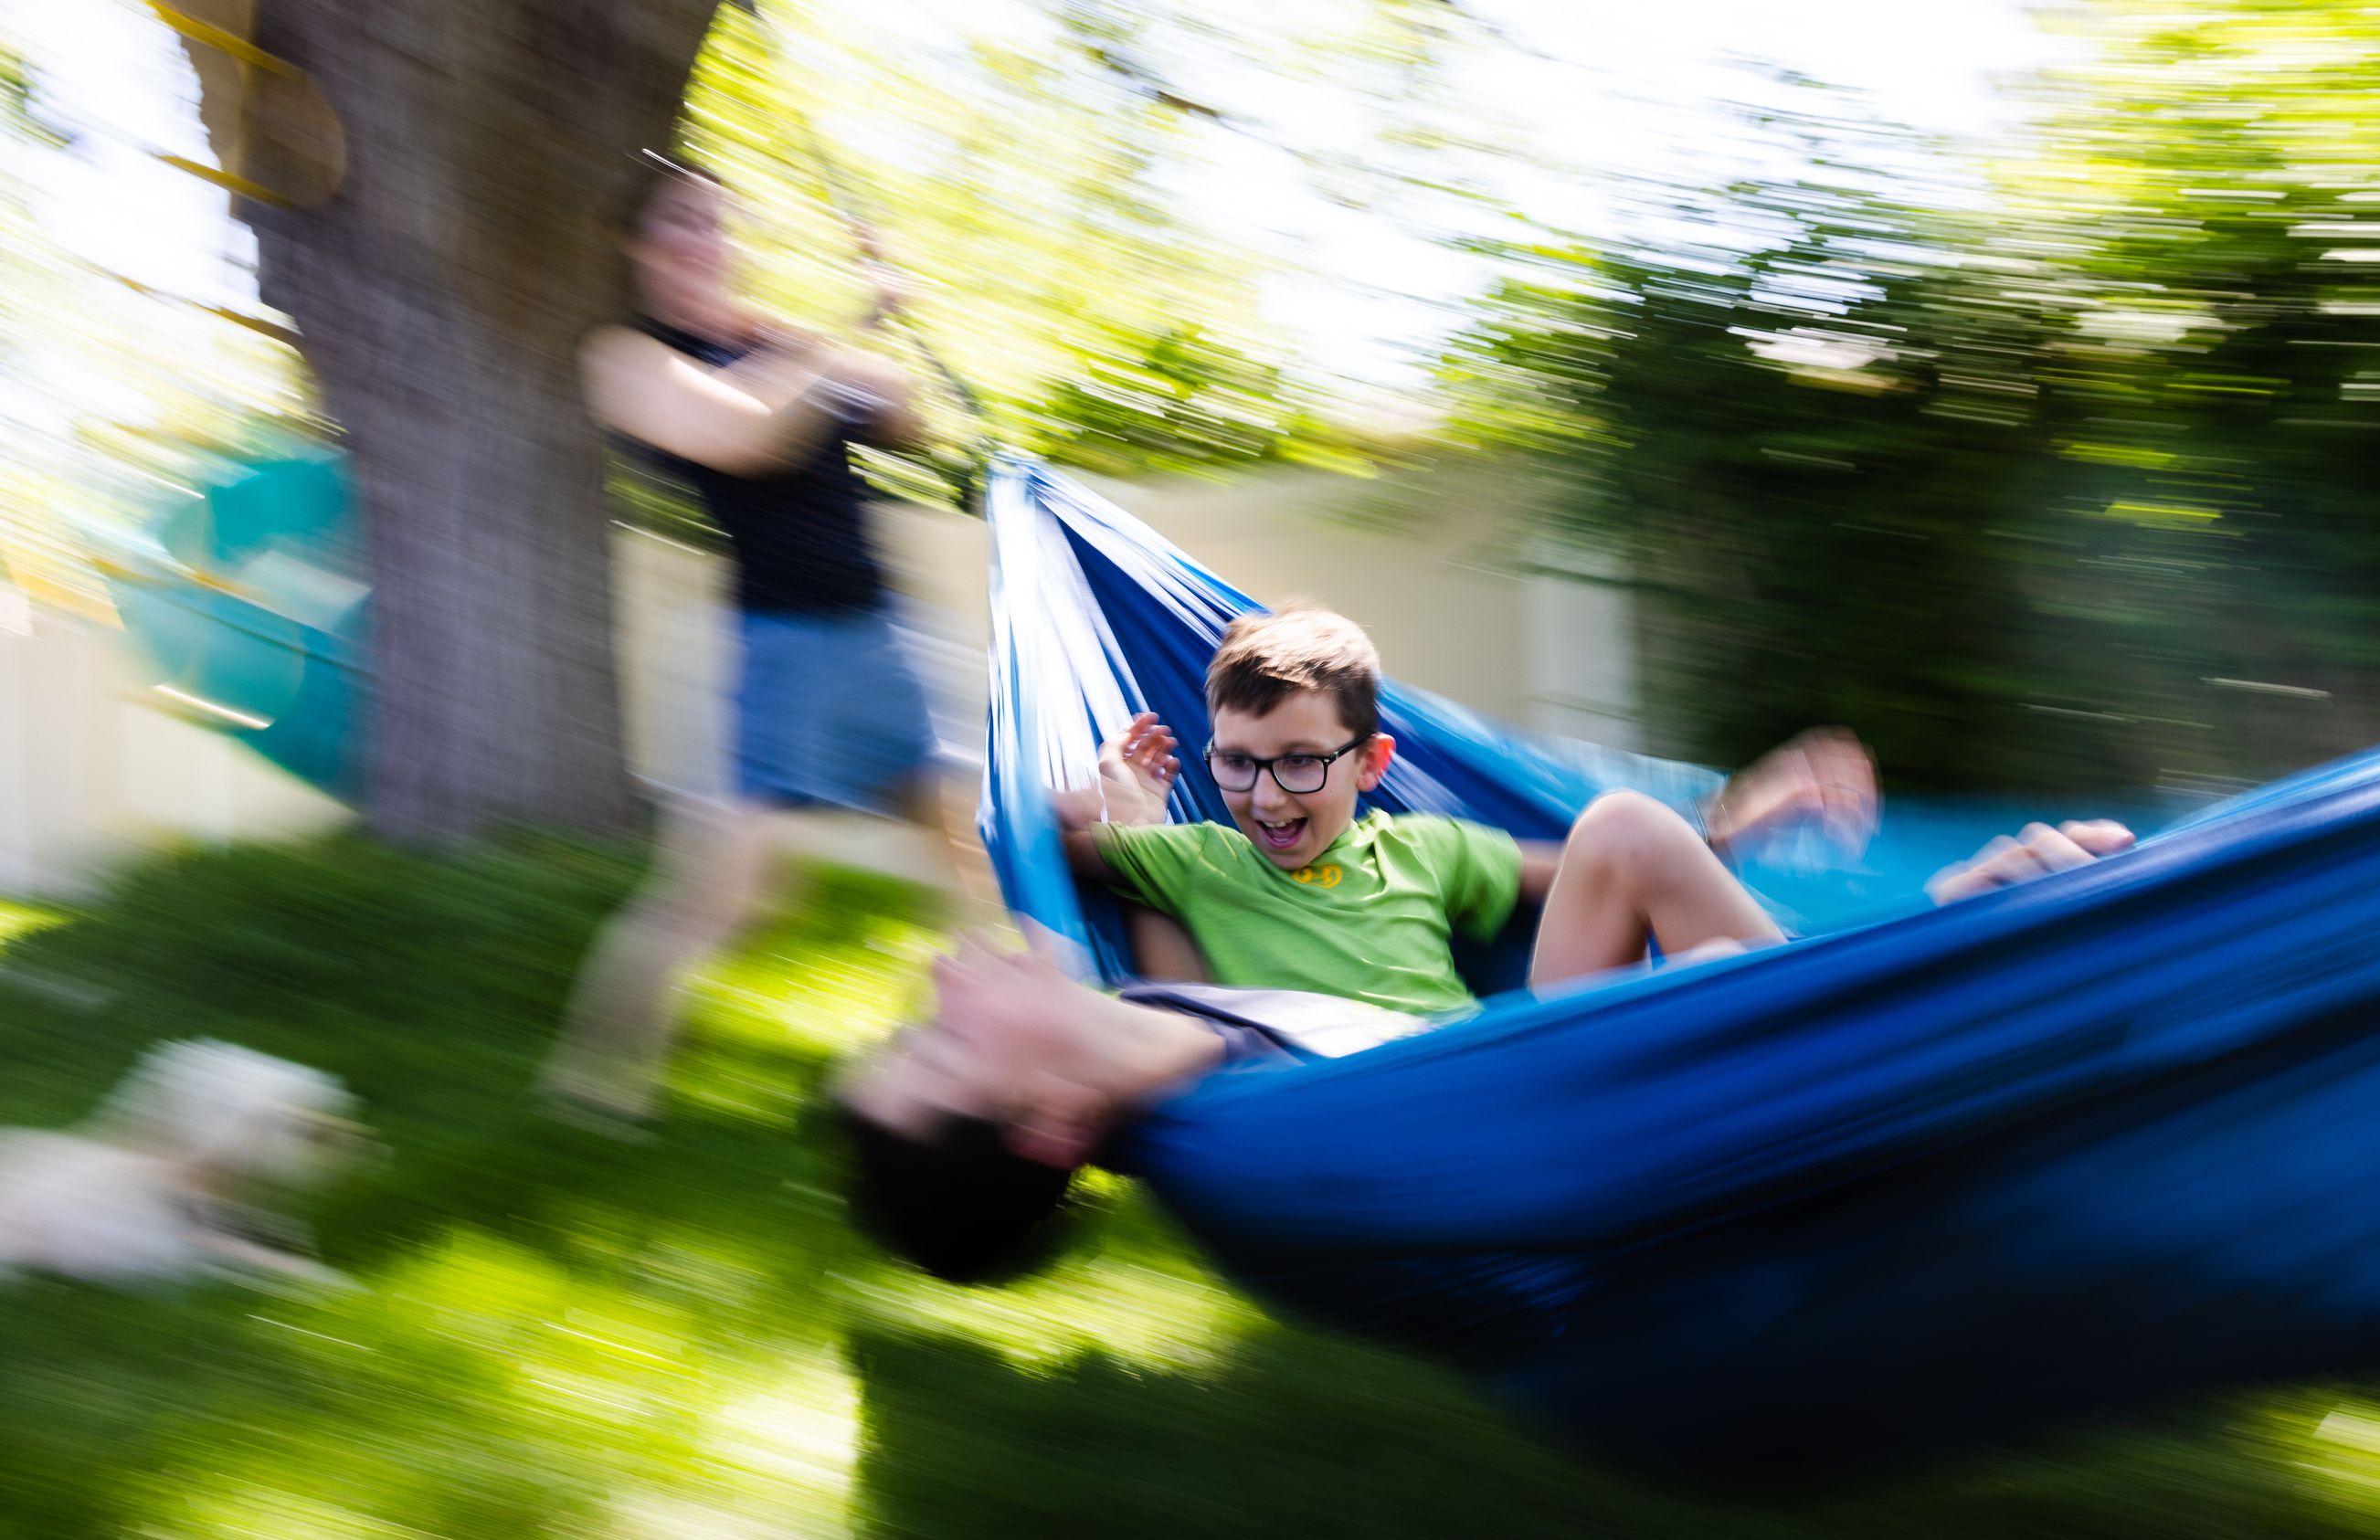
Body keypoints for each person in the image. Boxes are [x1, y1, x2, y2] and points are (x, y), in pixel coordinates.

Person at [838, 818, 2315, 1475]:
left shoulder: (1136, 1014)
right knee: (2072, 927)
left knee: (1619, 834)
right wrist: (1957, 948)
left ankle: (2055, 982)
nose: (944, 981)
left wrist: (1100, 829)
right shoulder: (1272, 1158)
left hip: (1574, 1094)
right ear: (1045, 1131)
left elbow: (1092, 919)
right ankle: (2030, 982)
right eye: (943, 1041)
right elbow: (1595, 1166)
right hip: (1687, 1234)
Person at [541, 157, 984, 1122]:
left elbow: (906, 424)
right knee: (732, 892)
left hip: (879, 630)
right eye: (678, 223)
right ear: (635, 245)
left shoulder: (779, 341)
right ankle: (594, 1083)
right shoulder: (631, 358)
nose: (702, 240)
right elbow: (747, 437)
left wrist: (890, 304)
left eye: (714, 222)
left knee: (965, 855)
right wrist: (844, 337)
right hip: (782, 645)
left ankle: (962, 1051)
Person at [1053, 606, 1881, 1014]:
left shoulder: (1425, 849)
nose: (1265, 797)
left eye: (1302, 762)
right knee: (1703, 987)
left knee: (1626, 825)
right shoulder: (1202, 857)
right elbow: (1060, 826)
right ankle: (1850, 1019)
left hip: (1495, 1070)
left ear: (1372, 763)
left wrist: (1745, 814)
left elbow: (1603, 870)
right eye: (1236, 764)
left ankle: (1858, 1016)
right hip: (1384, 1108)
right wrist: (1131, 790)